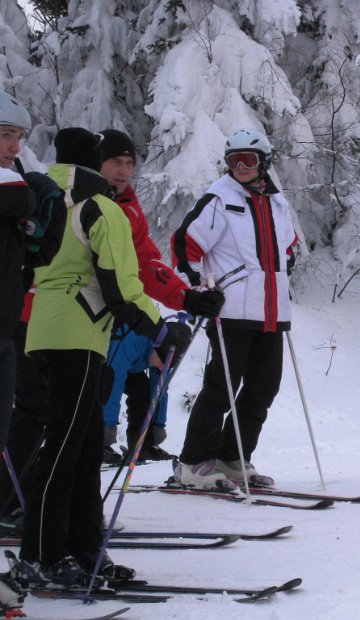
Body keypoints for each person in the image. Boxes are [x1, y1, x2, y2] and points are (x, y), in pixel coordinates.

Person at [17, 127, 191, 587]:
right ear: (96, 162)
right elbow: (120, 284)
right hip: (77, 332)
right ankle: (43, 554)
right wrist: (160, 330)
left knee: (83, 444)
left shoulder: (42, 194)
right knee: (66, 447)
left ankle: (81, 546)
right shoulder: (101, 206)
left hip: (43, 330)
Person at [171, 128, 298, 490]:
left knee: (263, 389)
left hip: (272, 312)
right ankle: (194, 462)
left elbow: (287, 247)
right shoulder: (218, 199)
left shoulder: (277, 202)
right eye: (233, 160)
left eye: (249, 160)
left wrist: (286, 265)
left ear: (263, 164)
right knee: (221, 388)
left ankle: (232, 457)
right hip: (232, 311)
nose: (240, 167)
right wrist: (199, 288)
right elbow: (185, 245)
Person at [96, 129, 224, 464]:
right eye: (114, 162)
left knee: (141, 389)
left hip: (121, 321)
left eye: (128, 163)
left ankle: (141, 443)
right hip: (91, 323)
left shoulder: (129, 208)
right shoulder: (85, 202)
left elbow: (145, 265)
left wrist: (187, 298)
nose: (123, 171)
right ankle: (100, 441)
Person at [0, 89, 66, 620]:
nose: (12, 145)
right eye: (3, 134)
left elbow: (40, 245)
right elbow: (24, 199)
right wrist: (38, 198)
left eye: (18, 137)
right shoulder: (10, 186)